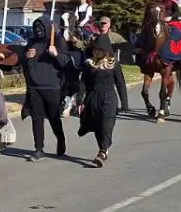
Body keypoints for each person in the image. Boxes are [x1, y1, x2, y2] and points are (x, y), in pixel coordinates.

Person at [17, 18, 69, 161]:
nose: (38, 31)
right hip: (34, 86)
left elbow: (66, 62)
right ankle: (39, 149)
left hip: (52, 86)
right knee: (37, 118)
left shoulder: (57, 41)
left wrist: (56, 54)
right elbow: (22, 62)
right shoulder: (32, 42)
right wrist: (26, 57)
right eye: (36, 29)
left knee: (54, 117)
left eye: (41, 29)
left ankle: (61, 141)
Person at [76, 34, 121, 167]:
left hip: (109, 97)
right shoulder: (89, 64)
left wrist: (124, 103)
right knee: (97, 126)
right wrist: (80, 101)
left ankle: (102, 152)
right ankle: (104, 147)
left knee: (107, 124)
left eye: (100, 49)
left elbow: (120, 83)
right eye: (95, 49)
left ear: (106, 50)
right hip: (92, 98)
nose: (96, 52)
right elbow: (83, 83)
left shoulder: (114, 65)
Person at [94, 16, 130, 112]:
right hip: (98, 63)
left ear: (109, 24)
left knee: (120, 82)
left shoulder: (115, 36)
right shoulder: (94, 36)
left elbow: (126, 45)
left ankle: (125, 105)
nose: (103, 25)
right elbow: (85, 45)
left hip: (113, 62)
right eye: (101, 23)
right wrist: (75, 41)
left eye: (105, 23)